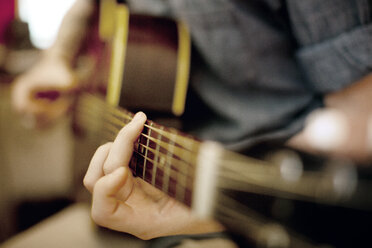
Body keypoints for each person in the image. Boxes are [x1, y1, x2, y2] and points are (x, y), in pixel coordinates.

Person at [9, 0, 372, 246]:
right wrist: (57, 57)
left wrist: (205, 216)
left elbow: (360, 121)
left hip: (259, 202)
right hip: (127, 209)